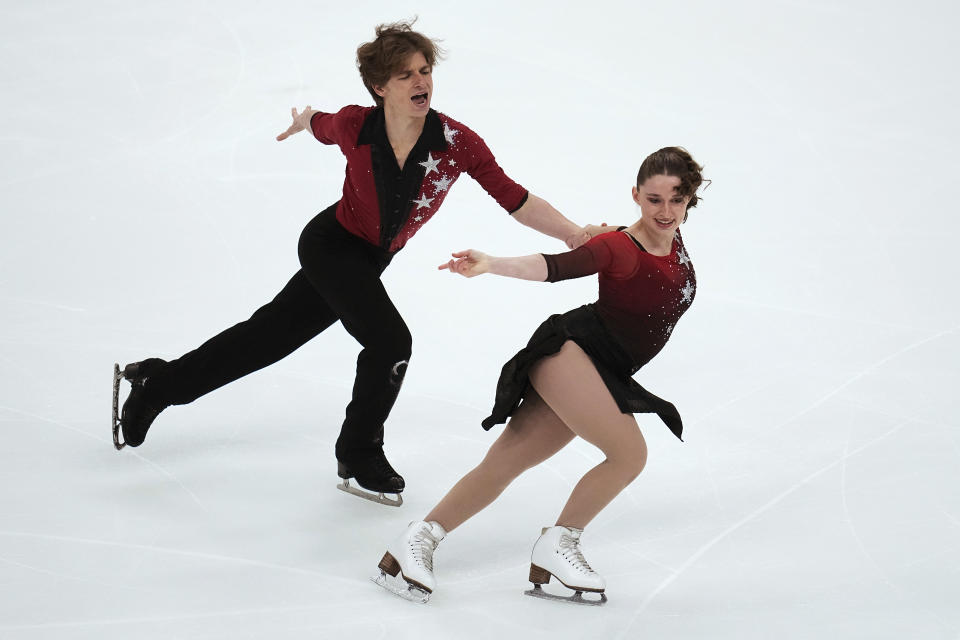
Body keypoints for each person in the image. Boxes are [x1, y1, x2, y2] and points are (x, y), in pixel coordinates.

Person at [111, 21, 589, 506]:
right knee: (390, 341)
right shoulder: (357, 124)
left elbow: (515, 198)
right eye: (405, 76)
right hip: (330, 245)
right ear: (380, 87)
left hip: (369, 259)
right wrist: (305, 121)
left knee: (265, 339)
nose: (420, 82)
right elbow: (322, 123)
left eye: (424, 71)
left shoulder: (456, 142)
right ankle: (359, 451)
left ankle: (157, 385)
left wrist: (572, 233)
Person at [374, 147, 706, 603]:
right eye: (653, 200)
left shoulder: (666, 237)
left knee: (506, 463)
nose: (665, 211)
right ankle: (560, 543)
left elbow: (620, 237)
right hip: (573, 356)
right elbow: (552, 267)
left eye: (676, 199)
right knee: (629, 454)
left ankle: (414, 542)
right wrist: (492, 264)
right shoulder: (618, 248)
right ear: (636, 195)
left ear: (689, 198)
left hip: (602, 368)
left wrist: (598, 228)